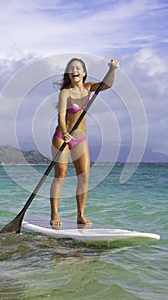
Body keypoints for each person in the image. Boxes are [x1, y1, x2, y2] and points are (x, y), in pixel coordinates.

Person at [50, 58, 119, 226]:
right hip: (62, 138)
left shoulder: (89, 88)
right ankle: (54, 215)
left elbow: (107, 85)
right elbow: (60, 116)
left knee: (84, 177)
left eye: (78, 68)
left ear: (83, 73)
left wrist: (112, 70)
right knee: (61, 175)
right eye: (71, 68)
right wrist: (65, 132)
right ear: (68, 73)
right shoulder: (65, 92)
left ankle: (80, 215)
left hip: (81, 139)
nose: (75, 71)